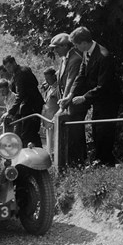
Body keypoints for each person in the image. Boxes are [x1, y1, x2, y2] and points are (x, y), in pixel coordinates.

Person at [61, 27, 123, 166]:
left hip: (109, 99)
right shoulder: (86, 53)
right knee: (96, 128)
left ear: (84, 42)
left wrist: (84, 97)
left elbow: (104, 86)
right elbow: (81, 75)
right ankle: (100, 159)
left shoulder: (103, 56)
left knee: (104, 129)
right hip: (98, 98)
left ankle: (106, 161)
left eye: (76, 44)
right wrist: (71, 95)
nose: (75, 48)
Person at [51, 32, 87, 164]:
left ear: (66, 46)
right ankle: (73, 162)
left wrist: (62, 106)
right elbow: (61, 81)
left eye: (57, 47)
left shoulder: (75, 59)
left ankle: (78, 162)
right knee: (71, 133)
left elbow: (70, 82)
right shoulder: (65, 59)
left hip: (74, 103)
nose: (54, 51)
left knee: (75, 132)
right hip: (68, 103)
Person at [2, 56, 45, 147]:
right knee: (32, 133)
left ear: (14, 63)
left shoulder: (21, 73)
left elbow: (20, 95)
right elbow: (35, 82)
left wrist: (10, 112)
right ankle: (39, 153)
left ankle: (29, 157)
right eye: (6, 68)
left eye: (9, 66)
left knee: (27, 134)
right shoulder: (20, 71)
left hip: (31, 106)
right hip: (31, 105)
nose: (8, 70)